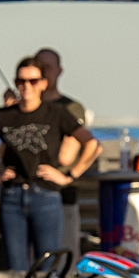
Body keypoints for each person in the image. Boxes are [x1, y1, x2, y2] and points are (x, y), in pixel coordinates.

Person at [0, 56, 101, 272]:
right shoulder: (5, 115)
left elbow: (91, 144)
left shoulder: (56, 113)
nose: (26, 86)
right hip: (12, 196)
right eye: (21, 81)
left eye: (33, 81)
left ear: (43, 84)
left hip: (45, 195)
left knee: (47, 266)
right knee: (15, 267)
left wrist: (69, 176)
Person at [33, 48, 89, 259]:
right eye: (39, 67)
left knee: (64, 257)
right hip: (28, 195)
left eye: (48, 67)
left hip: (61, 194)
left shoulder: (70, 108)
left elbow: (66, 156)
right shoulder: (24, 109)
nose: (44, 73)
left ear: (59, 70)